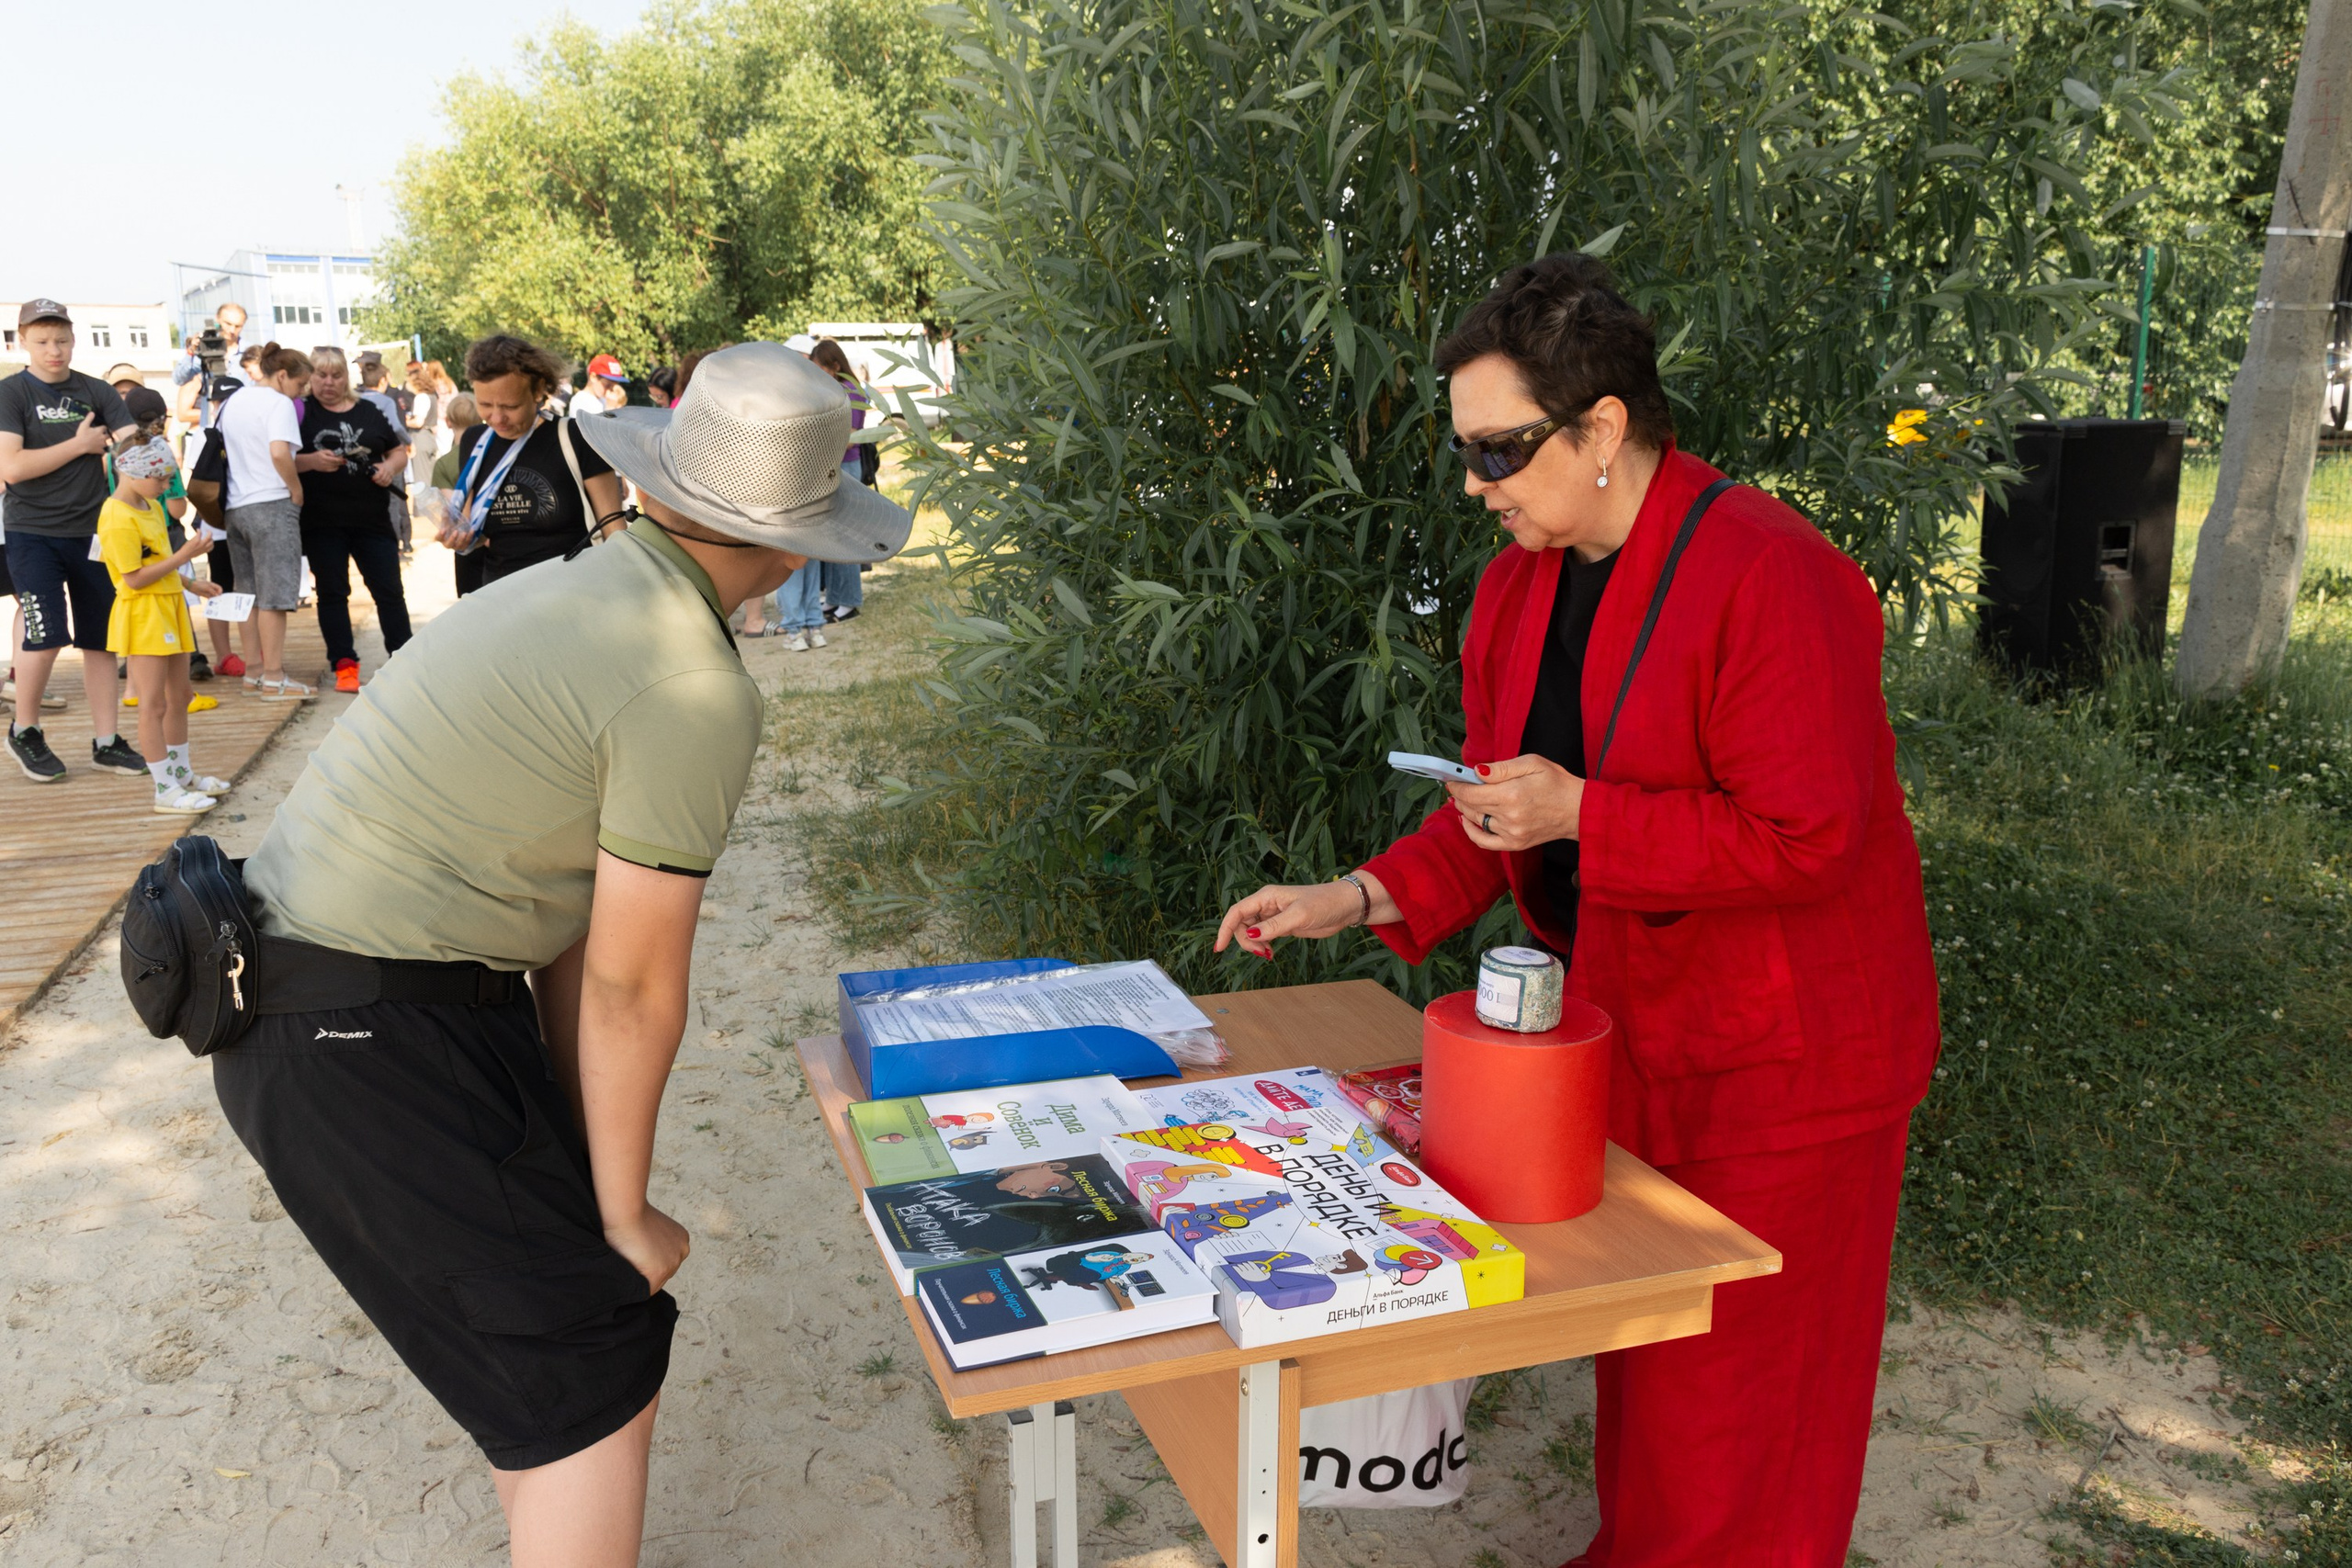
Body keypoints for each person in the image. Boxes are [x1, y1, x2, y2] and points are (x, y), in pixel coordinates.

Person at [1214, 254, 1939, 1567]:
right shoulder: (1521, 582)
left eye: (1500, 452)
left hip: (1792, 1057)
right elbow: (1500, 804)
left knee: (1751, 1395)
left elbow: (1811, 837)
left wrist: (1586, 813)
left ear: (1601, 428)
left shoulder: (1773, 573)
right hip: (1639, 1023)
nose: (1479, 486)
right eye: (1468, 455)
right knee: (1656, 1360)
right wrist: (1359, 893)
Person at [219, 342, 910, 1567]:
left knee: (546, 1349)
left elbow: (570, 918)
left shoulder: (582, 591)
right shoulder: (691, 679)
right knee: (587, 1355)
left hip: (331, 998)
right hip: (360, 1031)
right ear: (800, 542)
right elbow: (633, 977)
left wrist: (583, 1169)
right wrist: (619, 1209)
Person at [0, 299, 144, 782]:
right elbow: (13, 469)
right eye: (42, 341)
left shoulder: (96, 390)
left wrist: (143, 454)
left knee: (103, 639)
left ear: (73, 338)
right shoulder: (12, 393)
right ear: (23, 339)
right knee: (43, 635)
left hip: (93, 533)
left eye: (61, 340)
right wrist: (80, 445)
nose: (53, 350)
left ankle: (106, 741)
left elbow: (133, 448)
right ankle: (25, 729)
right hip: (31, 532)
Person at [96, 438, 228, 812]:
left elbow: (160, 559)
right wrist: (185, 557)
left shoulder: (151, 505)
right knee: (152, 704)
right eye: (159, 478)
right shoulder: (116, 516)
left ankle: (181, 774)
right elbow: (134, 578)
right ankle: (164, 789)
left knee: (179, 698)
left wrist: (190, 582)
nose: (166, 486)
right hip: (144, 614)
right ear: (133, 472)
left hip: (168, 607)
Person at [439, 334, 624, 594]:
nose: (497, 417)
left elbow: (613, 527)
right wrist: (459, 535)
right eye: (485, 405)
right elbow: (475, 530)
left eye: (510, 406)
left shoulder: (576, 437)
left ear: (538, 392)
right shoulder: (475, 441)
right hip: (500, 595)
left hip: (573, 593)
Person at [295, 348, 413, 694]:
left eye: (336, 376)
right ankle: (344, 664)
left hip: (372, 518)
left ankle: (403, 658)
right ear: (311, 377)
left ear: (347, 377)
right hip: (322, 520)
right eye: (321, 375)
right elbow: (282, 458)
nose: (328, 383)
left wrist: (389, 469)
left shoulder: (369, 409)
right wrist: (311, 462)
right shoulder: (300, 412)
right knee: (333, 593)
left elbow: (397, 451)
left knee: (389, 591)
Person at [214, 342, 317, 699]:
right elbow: (278, 452)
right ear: (283, 375)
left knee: (248, 593)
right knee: (275, 596)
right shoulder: (279, 403)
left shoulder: (234, 401)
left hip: (235, 506)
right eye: (301, 385)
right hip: (271, 502)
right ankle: (274, 675)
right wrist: (296, 488)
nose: (302, 393)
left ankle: (254, 671)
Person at [806, 340, 869, 626]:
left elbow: (850, 436)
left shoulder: (852, 393)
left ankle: (850, 601)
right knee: (831, 538)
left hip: (846, 467)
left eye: (820, 368)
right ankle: (834, 596)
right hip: (832, 468)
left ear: (834, 366)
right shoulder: (833, 389)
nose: (817, 373)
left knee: (845, 538)